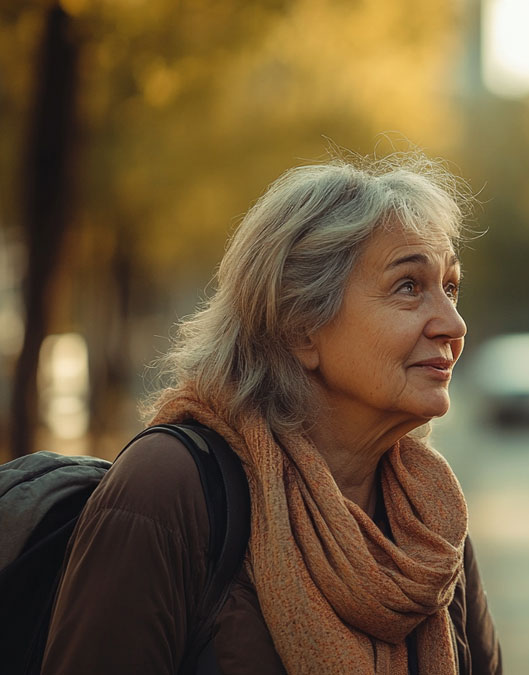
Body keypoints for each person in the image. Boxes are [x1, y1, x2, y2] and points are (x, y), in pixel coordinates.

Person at [42, 153, 502, 674]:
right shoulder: (169, 489)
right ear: (299, 325)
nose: (454, 323)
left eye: (450, 287)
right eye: (408, 286)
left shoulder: (430, 522)